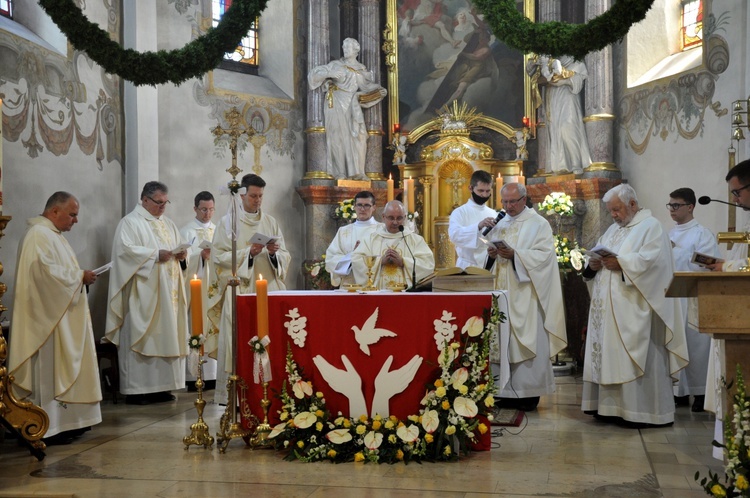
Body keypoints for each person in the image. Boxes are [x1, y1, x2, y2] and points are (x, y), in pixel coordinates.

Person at [581, 184, 688, 427]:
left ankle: (640, 412)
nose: (614, 215)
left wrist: (623, 264)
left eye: (617, 209)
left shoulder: (652, 227)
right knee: (609, 356)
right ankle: (608, 408)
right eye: (610, 211)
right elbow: (599, 259)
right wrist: (593, 265)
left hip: (635, 309)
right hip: (608, 312)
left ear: (632, 204)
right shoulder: (611, 230)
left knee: (634, 357)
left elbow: (656, 264)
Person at [9, 192, 102, 444]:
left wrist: (79, 276)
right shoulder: (38, 235)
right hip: (45, 322)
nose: (75, 220)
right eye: (72, 214)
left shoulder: (53, 235)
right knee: (50, 371)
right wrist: (78, 277)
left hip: (59, 316)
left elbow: (58, 272)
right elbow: (44, 274)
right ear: (54, 212)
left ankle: (69, 423)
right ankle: (48, 426)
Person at [207, 174, 291, 405]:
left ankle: (268, 389)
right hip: (241, 290)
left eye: (261, 196)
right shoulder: (227, 223)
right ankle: (235, 393)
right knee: (239, 340)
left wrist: (274, 253)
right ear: (242, 194)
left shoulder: (270, 222)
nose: (257, 200)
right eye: (253, 196)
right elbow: (219, 258)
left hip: (268, 290)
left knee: (269, 337)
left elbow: (285, 254)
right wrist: (249, 254)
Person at [484, 182, 567, 412]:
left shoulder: (538, 224)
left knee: (525, 339)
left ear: (524, 199)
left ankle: (527, 393)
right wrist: (492, 253)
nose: (508, 206)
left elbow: (544, 257)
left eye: (513, 202)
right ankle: (501, 391)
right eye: (504, 202)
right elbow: (491, 260)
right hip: (501, 292)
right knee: (500, 340)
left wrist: (516, 255)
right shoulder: (500, 224)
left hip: (525, 295)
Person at [105, 181, 189, 406]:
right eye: (158, 203)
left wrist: (181, 256)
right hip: (144, 295)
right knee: (144, 336)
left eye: (165, 203)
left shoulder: (168, 224)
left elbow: (176, 248)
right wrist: (153, 255)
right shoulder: (130, 223)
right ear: (145, 200)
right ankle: (139, 390)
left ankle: (162, 388)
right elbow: (124, 252)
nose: (162, 207)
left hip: (167, 294)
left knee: (168, 334)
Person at [667, 187, 719, 412]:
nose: (672, 210)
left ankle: (700, 392)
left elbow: (710, 263)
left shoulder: (702, 233)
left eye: (676, 205)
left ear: (690, 206)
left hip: (693, 296)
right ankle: (679, 391)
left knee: (697, 346)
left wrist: (680, 254)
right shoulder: (668, 234)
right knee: (676, 343)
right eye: (670, 205)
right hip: (672, 297)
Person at [308, 38, 387, 180]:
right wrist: (328, 74)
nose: (345, 49)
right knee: (336, 136)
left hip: (352, 103)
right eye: (344, 47)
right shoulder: (336, 65)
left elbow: (367, 87)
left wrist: (379, 91)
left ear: (356, 50)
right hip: (335, 102)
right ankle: (340, 173)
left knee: (358, 136)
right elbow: (313, 76)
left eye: (348, 47)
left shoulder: (360, 69)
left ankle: (358, 172)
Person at [527, 55, 591, 175]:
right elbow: (535, 77)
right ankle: (561, 165)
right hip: (553, 98)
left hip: (568, 98)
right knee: (555, 130)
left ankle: (576, 163)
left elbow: (577, 83)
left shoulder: (576, 62)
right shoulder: (550, 62)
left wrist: (563, 80)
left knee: (568, 127)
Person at [180, 191, 217, 391]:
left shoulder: (219, 230)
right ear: (195, 209)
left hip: (214, 289)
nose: (207, 214)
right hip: (196, 288)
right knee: (196, 325)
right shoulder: (186, 231)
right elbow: (183, 262)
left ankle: (213, 374)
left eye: (211, 209)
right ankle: (194, 375)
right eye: (203, 209)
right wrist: (200, 257)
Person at [351, 200, 434, 289]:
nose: (395, 222)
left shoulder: (416, 240)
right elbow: (356, 260)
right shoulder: (371, 239)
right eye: (391, 218)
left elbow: (427, 264)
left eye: (399, 218)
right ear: (383, 217)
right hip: (377, 296)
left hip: (406, 296)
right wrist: (380, 261)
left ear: (405, 217)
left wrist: (403, 262)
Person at [325, 191, 381, 287]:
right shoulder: (343, 231)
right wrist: (351, 255)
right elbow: (331, 259)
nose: (362, 209)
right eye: (359, 205)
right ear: (354, 206)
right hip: (349, 286)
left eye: (367, 205)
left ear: (374, 207)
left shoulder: (382, 230)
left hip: (375, 285)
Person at [448, 170, 499, 270]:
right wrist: (478, 226)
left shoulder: (493, 213)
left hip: (489, 265)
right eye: (481, 191)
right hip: (467, 265)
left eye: (487, 191)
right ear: (470, 188)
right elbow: (454, 235)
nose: (484, 195)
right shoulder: (459, 212)